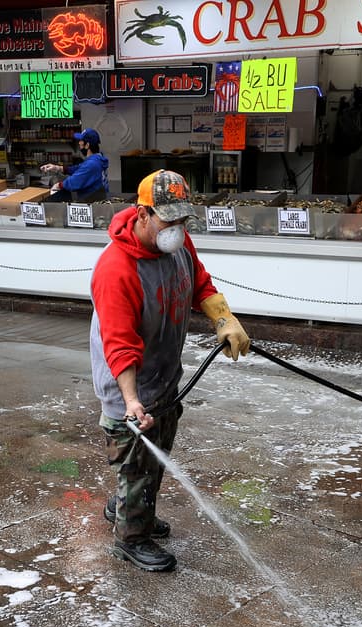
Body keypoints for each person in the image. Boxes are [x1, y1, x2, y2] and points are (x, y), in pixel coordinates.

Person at [89, 170, 250, 572]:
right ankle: (131, 538)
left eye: (182, 219)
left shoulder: (177, 244)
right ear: (142, 214)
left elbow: (199, 282)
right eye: (168, 219)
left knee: (154, 456)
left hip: (163, 374)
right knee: (136, 460)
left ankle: (130, 506)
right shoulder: (116, 268)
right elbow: (119, 344)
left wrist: (223, 318)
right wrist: (131, 401)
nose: (177, 228)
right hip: (127, 383)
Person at [42, 128, 109, 203]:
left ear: (87, 145)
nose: (79, 143)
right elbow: (79, 168)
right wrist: (58, 168)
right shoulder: (97, 158)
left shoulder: (92, 163)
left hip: (92, 203)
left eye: (81, 141)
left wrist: (59, 185)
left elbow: (74, 182)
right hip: (96, 199)